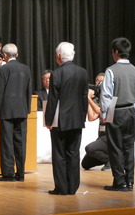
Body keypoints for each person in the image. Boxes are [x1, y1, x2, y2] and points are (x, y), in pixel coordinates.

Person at [45, 42, 88, 195]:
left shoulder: (57, 73)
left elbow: (53, 99)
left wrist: (48, 121)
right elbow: (84, 97)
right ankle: (73, 187)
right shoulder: (83, 72)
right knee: (73, 153)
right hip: (77, 119)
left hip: (60, 120)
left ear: (58, 55)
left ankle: (61, 188)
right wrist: (83, 116)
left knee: (59, 154)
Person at [100, 37, 135, 192]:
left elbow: (106, 95)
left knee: (115, 147)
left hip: (116, 111)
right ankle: (130, 182)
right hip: (131, 111)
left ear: (116, 52)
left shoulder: (111, 70)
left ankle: (119, 182)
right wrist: (132, 108)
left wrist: (105, 113)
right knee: (129, 147)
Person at [0, 43, 32, 182]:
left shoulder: (4, 69)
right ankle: (21, 174)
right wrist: (27, 109)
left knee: (6, 143)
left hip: (7, 111)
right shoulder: (26, 69)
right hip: (22, 110)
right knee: (21, 143)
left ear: (4, 55)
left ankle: (8, 174)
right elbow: (29, 91)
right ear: (17, 54)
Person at [81, 73, 110, 171]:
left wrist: (89, 98)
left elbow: (101, 112)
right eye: (97, 81)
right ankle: (108, 158)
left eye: (102, 81)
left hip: (109, 137)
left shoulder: (110, 98)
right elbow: (91, 117)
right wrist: (89, 100)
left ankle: (112, 161)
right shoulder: (97, 99)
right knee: (85, 164)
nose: (99, 83)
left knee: (89, 148)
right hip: (101, 137)